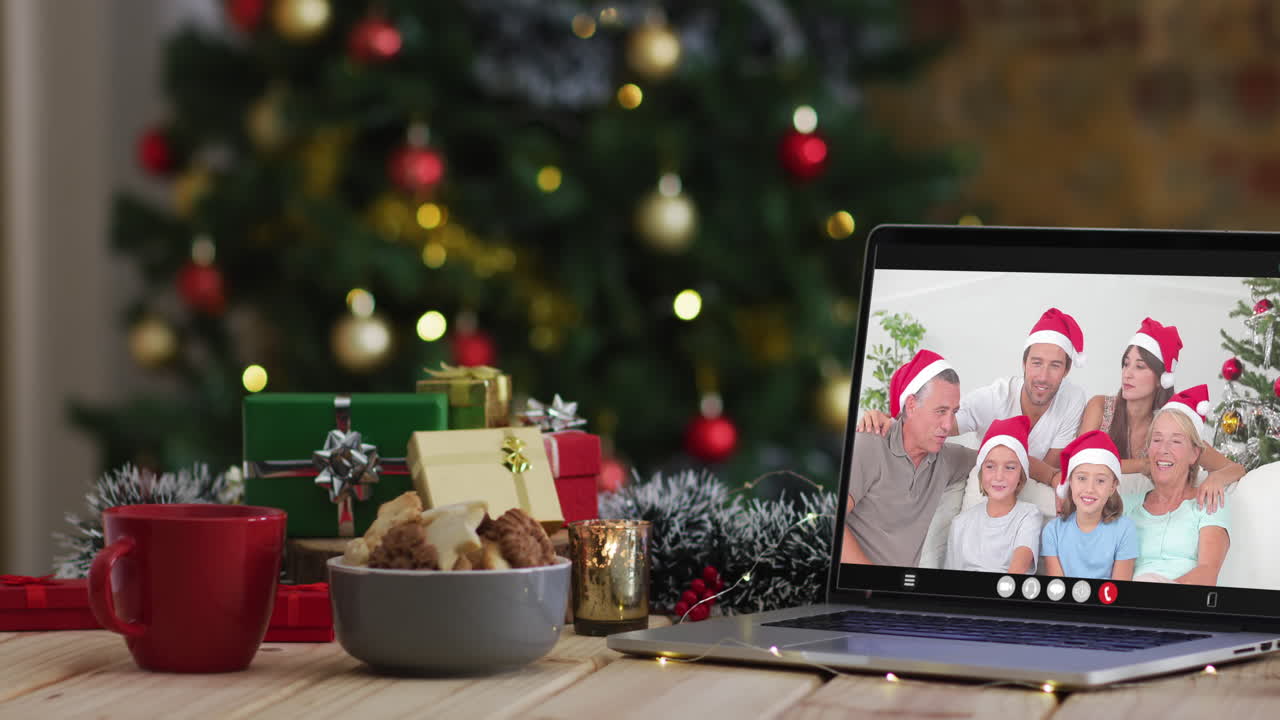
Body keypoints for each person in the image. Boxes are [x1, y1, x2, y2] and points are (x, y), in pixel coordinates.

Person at [857, 308, 1088, 487]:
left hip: (1031, 488)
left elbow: (1050, 469)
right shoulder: (993, 398)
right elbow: (938, 424)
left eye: (1055, 366)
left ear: (1066, 371)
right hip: (987, 486)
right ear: (1024, 364)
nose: (1043, 376)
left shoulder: (1073, 399)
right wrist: (891, 420)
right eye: (1036, 363)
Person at [1078, 318, 1244, 512]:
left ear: (1161, 379)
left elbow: (1235, 469)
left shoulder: (1169, 426)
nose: (1127, 374)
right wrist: (1142, 465)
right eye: (1125, 364)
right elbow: (1081, 460)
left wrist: (1215, 477)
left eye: (1139, 367)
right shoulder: (1100, 407)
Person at [842, 349, 975, 566]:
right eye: (940, 411)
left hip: (899, 594)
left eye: (954, 412)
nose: (948, 425)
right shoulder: (870, 444)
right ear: (911, 405)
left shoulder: (945, 459)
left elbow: (1000, 454)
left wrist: (1051, 475)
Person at [1122, 386, 1231, 585]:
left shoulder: (1210, 502)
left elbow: (1207, 573)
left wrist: (1161, 597)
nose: (1163, 449)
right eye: (1157, 440)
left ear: (1195, 454)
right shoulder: (1126, 506)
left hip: (1182, 604)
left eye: (1176, 441)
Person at [944, 416, 1042, 573]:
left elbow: (1017, 570)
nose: (999, 476)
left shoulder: (1029, 515)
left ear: (1021, 474)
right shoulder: (960, 523)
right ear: (981, 470)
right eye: (990, 466)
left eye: (1010, 467)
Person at [1040, 431, 1138, 580]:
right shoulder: (1053, 532)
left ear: (1113, 486)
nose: (1090, 489)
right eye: (1082, 478)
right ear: (1070, 482)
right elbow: (1057, 589)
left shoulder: (1125, 529)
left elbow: (1120, 589)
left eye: (1100, 481)